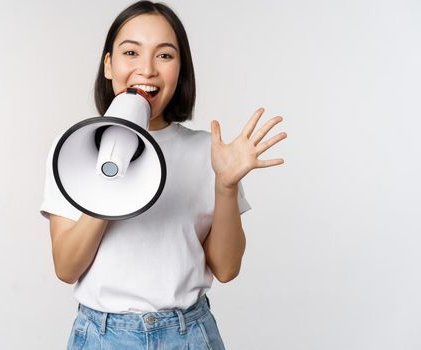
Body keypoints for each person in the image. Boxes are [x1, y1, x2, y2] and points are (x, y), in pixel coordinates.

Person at [39, 1, 286, 349]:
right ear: (108, 65)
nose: (147, 70)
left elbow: (227, 269)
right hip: (103, 335)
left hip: (187, 334)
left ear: (180, 70)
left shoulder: (207, 152)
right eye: (130, 52)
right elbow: (66, 268)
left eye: (165, 56)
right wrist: (109, 184)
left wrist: (226, 186)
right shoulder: (73, 149)